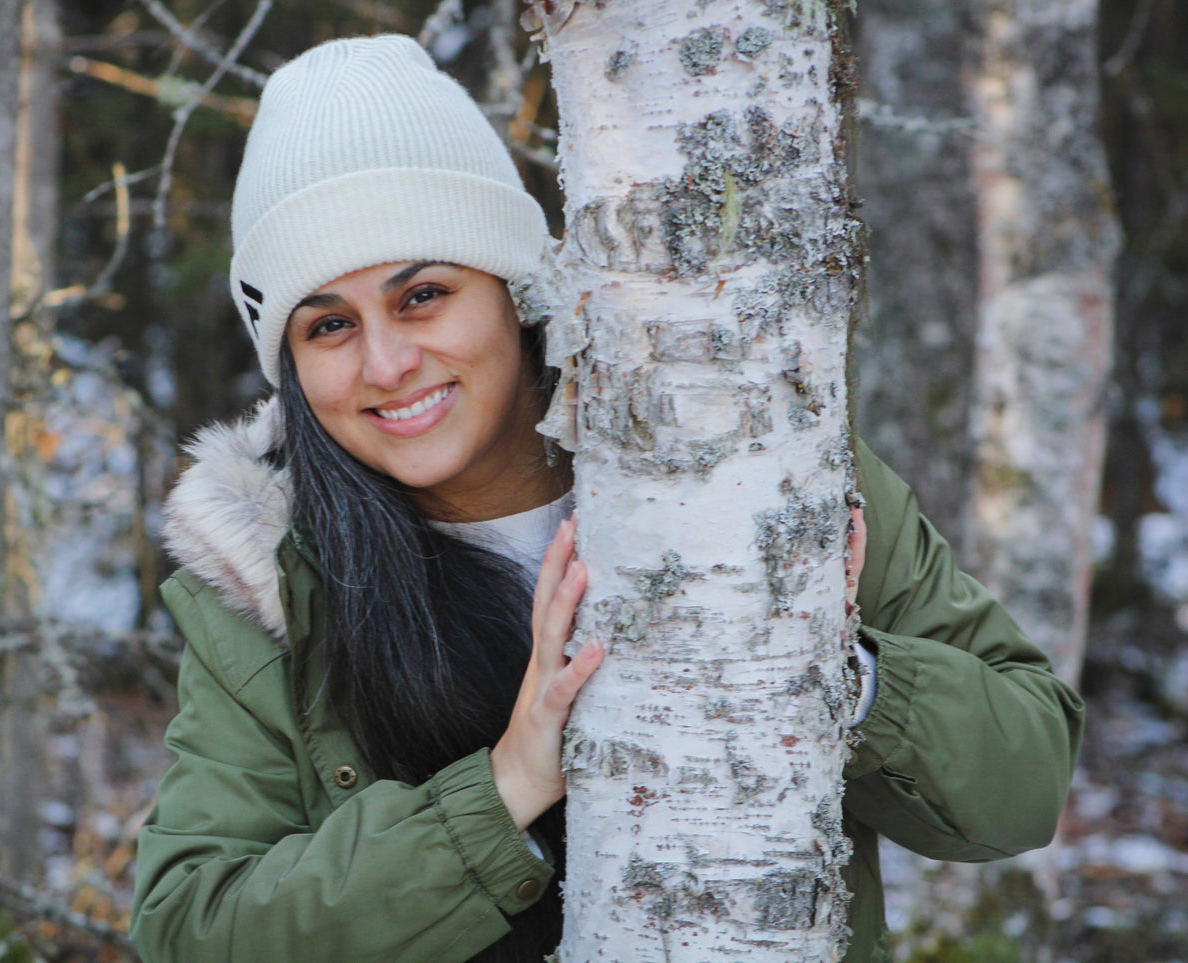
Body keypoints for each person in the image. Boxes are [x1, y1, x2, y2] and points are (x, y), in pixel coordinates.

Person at [129, 35, 1084, 963]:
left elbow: (1026, 782)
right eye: (328, 325)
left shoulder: (754, 465)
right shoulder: (267, 585)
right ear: (290, 365)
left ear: (509, 289)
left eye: (422, 294)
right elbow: (192, 927)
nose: (385, 362)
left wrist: (828, 664)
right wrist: (506, 786)